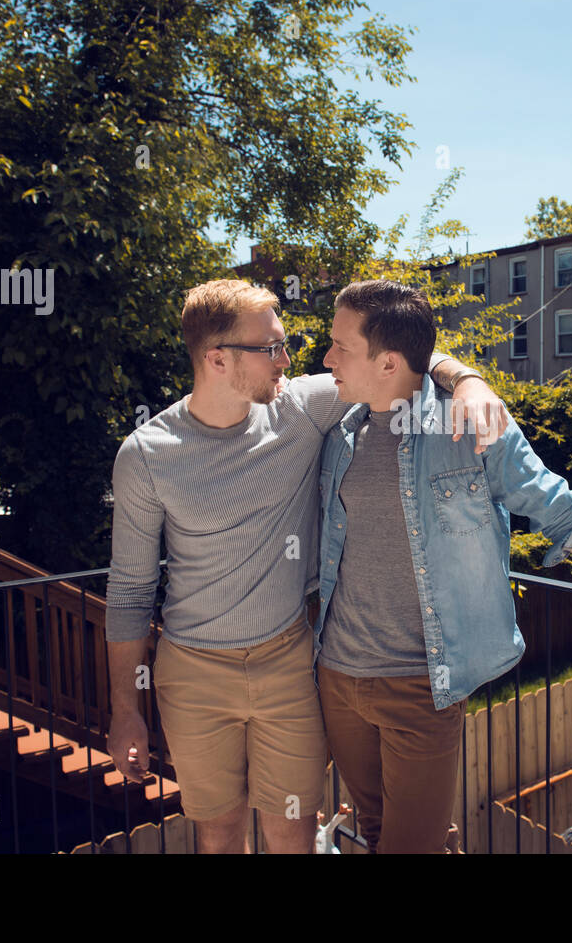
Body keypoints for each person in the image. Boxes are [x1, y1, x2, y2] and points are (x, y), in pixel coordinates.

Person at [103, 278, 508, 854]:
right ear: (217, 358)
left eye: (284, 343)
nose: (288, 360)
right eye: (269, 347)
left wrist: (466, 380)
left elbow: (395, 356)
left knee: (292, 828)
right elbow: (129, 592)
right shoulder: (146, 455)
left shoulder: (298, 405)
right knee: (218, 834)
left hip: (289, 661)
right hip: (193, 673)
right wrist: (124, 712)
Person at [314, 279, 572, 853]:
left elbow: (569, 517)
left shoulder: (472, 430)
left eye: (339, 346)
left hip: (419, 686)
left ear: (387, 363)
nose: (325, 358)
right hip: (337, 677)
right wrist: (466, 371)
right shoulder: (338, 427)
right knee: (373, 831)